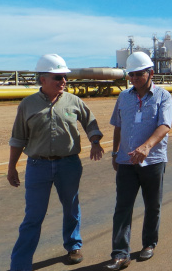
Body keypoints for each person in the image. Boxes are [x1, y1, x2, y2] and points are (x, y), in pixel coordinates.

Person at [7, 54, 104, 271]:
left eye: (65, 77)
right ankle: (20, 264)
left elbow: (90, 123)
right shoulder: (27, 105)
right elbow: (18, 138)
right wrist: (11, 166)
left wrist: (95, 141)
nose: (64, 82)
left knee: (71, 207)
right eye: (58, 77)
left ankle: (73, 245)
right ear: (43, 79)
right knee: (33, 216)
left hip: (68, 164)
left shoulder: (74, 101)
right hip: (37, 166)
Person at [106, 52, 172, 270]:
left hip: (153, 160)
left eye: (138, 74)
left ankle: (149, 244)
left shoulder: (163, 96)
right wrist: (115, 153)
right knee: (122, 207)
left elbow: (164, 126)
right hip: (126, 161)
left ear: (150, 73)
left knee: (152, 205)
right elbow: (118, 125)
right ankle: (119, 253)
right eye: (131, 74)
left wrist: (146, 147)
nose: (134, 78)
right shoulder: (123, 97)